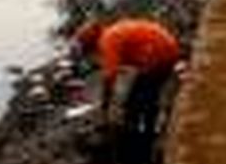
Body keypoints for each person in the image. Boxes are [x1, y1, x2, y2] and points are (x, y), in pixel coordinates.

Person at [72, 18, 181, 154]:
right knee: (143, 96)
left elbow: (110, 78)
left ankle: (141, 144)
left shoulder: (106, 42)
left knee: (139, 102)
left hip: (159, 54)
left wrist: (105, 105)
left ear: (90, 43)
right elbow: (119, 71)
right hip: (165, 48)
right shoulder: (111, 32)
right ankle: (146, 133)